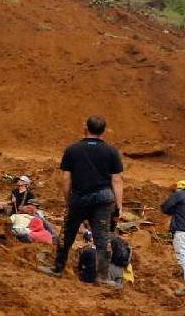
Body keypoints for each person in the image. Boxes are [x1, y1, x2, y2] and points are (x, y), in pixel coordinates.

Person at [43, 116, 124, 284]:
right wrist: (119, 205)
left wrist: (68, 199)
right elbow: (117, 180)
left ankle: (57, 268)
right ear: (104, 131)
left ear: (85, 128)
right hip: (103, 199)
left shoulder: (72, 150)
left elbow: (65, 179)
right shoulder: (111, 152)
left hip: (79, 198)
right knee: (103, 239)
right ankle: (102, 277)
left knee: (67, 234)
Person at [161, 179, 185, 296]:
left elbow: (165, 207)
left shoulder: (179, 194)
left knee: (184, 258)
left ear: (179, 188)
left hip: (182, 231)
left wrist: (173, 212)